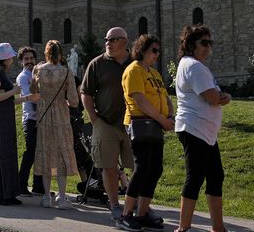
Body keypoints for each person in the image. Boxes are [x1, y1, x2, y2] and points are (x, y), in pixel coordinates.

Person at [174, 25, 231, 232]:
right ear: (191, 45)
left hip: (205, 132)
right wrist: (227, 98)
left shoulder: (192, 65)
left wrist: (221, 97)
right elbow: (213, 97)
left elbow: (213, 96)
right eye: (204, 43)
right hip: (194, 128)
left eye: (210, 43)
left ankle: (218, 227)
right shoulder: (193, 66)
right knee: (195, 177)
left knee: (216, 176)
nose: (208, 47)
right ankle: (183, 228)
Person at [80, 27, 137, 229]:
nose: (108, 43)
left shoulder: (135, 63)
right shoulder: (97, 64)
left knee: (138, 167)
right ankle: (115, 206)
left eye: (113, 40)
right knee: (109, 166)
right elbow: (85, 93)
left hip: (133, 123)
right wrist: (94, 118)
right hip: (105, 123)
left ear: (125, 41)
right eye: (106, 39)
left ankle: (137, 205)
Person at [120, 34, 174, 231]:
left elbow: (166, 98)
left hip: (156, 125)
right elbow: (140, 100)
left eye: (158, 51)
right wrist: (162, 119)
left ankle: (142, 214)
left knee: (155, 168)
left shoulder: (155, 73)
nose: (156, 55)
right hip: (140, 124)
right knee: (142, 168)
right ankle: (126, 214)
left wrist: (171, 117)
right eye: (153, 50)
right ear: (142, 50)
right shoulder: (133, 70)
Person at [31, 40, 78, 210]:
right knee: (61, 152)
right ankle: (63, 197)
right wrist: (64, 100)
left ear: (46, 53)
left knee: (46, 151)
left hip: (43, 113)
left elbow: (32, 89)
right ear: (60, 54)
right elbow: (73, 101)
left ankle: (46, 196)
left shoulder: (38, 69)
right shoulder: (66, 72)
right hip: (60, 115)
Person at [0, 43, 28, 205]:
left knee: (6, 153)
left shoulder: (0, 72)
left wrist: (26, 98)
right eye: (10, 57)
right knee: (2, 153)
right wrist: (14, 91)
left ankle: (7, 193)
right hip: (0, 118)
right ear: (6, 58)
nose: (12, 59)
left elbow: (7, 100)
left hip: (4, 116)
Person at [15, 46, 45, 196]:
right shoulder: (23, 77)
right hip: (31, 118)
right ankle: (21, 185)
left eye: (31, 58)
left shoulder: (38, 74)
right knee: (30, 152)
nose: (29, 61)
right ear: (21, 61)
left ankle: (38, 186)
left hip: (42, 119)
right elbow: (31, 97)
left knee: (40, 153)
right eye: (26, 59)